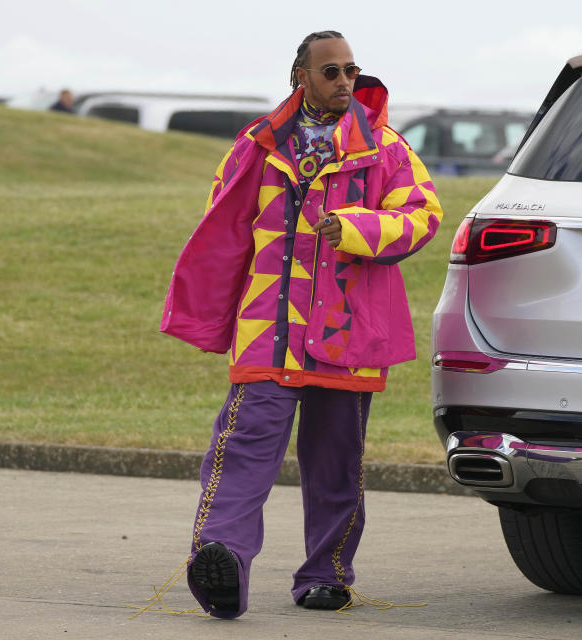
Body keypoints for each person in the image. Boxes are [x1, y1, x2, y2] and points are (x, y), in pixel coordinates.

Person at [159, 30, 442, 618]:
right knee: (241, 449)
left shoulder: (385, 147)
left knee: (336, 459)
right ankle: (220, 560)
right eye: (332, 72)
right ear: (301, 77)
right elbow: (224, 222)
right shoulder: (256, 145)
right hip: (267, 326)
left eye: (351, 71)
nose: (345, 82)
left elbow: (423, 215)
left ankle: (327, 573)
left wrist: (362, 229)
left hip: (348, 329)